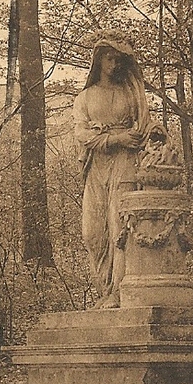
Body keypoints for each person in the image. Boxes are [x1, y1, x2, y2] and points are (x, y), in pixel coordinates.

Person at [73, 35, 165, 308]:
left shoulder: (129, 94)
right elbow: (82, 134)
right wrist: (114, 139)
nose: (113, 65)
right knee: (92, 233)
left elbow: (144, 125)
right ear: (98, 60)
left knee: (119, 226)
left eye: (118, 60)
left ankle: (118, 292)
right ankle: (104, 290)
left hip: (125, 163)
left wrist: (156, 131)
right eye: (109, 59)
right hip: (96, 166)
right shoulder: (85, 97)